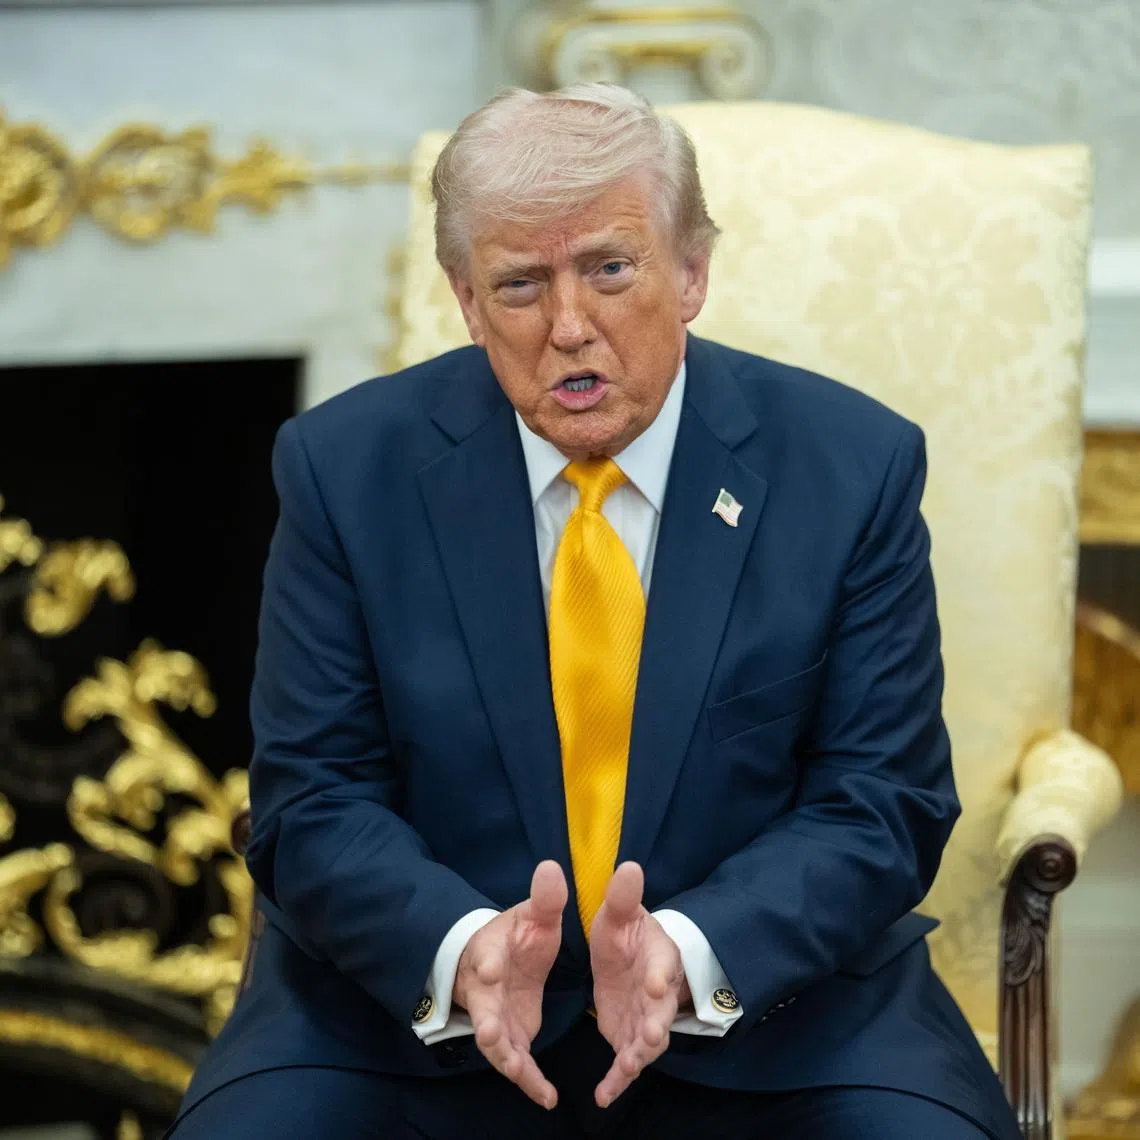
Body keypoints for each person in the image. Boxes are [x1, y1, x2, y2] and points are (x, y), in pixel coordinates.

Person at [166, 84, 1021, 1140]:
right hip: (411, 1024)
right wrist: (463, 946)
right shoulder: (344, 471)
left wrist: (693, 949)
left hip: (778, 1015)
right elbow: (314, 796)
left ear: (693, 270)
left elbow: (882, 799)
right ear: (467, 300)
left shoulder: (851, 467)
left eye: (611, 270)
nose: (570, 327)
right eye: (520, 284)